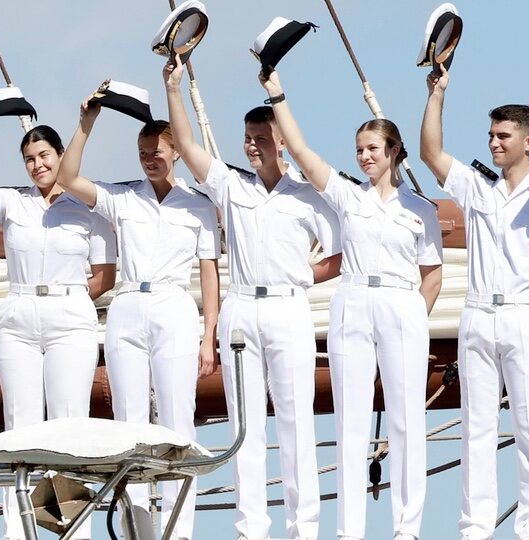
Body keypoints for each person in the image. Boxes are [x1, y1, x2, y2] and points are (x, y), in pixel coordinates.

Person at [259, 68, 442, 540]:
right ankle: (350, 531)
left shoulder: (420, 210)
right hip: (353, 301)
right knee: (351, 420)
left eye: (372, 149)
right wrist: (277, 94)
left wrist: (414, 321)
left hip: (402, 303)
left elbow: (433, 274)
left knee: (406, 420)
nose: (363, 157)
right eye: (359, 149)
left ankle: (407, 528)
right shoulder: (346, 196)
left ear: (394, 152)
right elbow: (300, 151)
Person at [164, 56, 342, 540]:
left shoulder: (308, 197)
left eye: (261, 139)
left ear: (280, 142)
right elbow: (186, 145)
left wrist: (303, 276)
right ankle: (251, 529)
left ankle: (303, 528)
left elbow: (342, 256)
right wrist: (174, 89)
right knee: (245, 427)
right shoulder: (230, 186)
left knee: (295, 422)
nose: (252, 147)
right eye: (247, 139)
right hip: (241, 308)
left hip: (288, 307)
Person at [420, 65, 529, 540]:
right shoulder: (476, 186)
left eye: (503, 136)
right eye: (491, 135)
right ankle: (475, 527)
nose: (494, 143)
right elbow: (431, 151)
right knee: (476, 427)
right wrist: (437, 92)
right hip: (476, 313)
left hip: (523, 314)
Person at [56, 101, 221, 540]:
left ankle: (178, 529)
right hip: (128, 303)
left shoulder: (199, 207)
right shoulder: (124, 196)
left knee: (176, 418)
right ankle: (133, 525)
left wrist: (210, 335)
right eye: (143, 152)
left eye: (157, 151)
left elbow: (209, 273)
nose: (149, 159)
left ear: (177, 153)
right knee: (127, 422)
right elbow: (67, 177)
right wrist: (86, 123)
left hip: (173, 306)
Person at [0, 116, 116, 540]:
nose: (37, 165)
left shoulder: (89, 209)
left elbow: (104, 276)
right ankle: (18, 530)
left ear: (60, 156)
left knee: (69, 422)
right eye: (29, 158)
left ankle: (73, 530)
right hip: (21, 312)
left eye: (44, 155)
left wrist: (71, 297)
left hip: (69, 314)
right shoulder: (15, 203)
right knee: (19, 426)